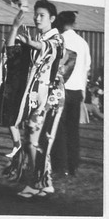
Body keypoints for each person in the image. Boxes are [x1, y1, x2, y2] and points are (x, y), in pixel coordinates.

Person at [2, 0, 66, 198]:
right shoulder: (38, 37)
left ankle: (34, 182)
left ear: (52, 19)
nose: (37, 18)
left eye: (42, 15)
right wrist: (14, 27)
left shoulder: (57, 39)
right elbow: (12, 52)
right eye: (36, 15)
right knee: (33, 140)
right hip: (35, 95)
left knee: (32, 139)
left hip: (50, 96)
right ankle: (44, 183)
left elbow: (46, 47)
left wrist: (31, 43)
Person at [51, 11, 91, 177]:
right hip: (77, 90)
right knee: (73, 129)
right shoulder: (83, 43)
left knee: (59, 128)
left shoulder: (60, 40)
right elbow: (86, 68)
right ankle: (73, 164)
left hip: (62, 89)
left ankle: (61, 165)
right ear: (74, 23)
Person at [0, 9, 31, 158]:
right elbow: (8, 48)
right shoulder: (13, 54)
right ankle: (18, 145)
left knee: (15, 120)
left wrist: (15, 28)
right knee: (10, 120)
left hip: (21, 88)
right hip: (11, 87)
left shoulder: (25, 53)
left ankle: (22, 146)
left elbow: (10, 47)